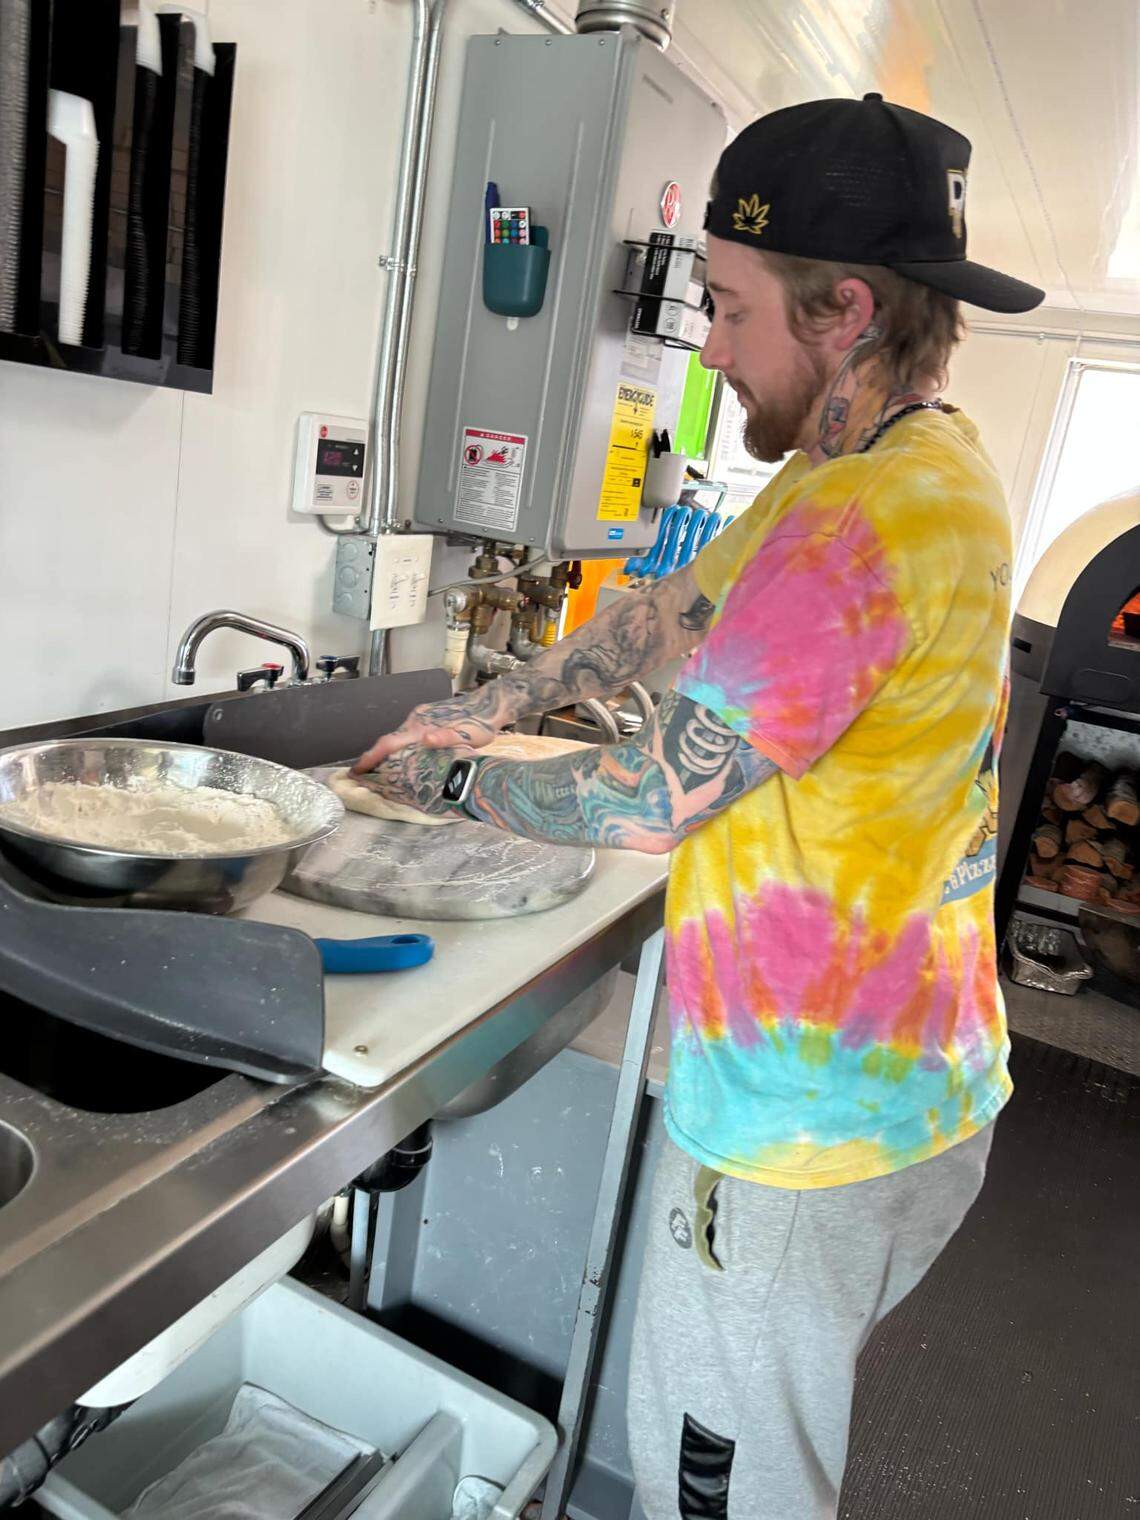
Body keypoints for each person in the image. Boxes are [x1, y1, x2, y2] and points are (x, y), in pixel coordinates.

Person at [353, 94, 1044, 1520]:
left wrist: (442, 776)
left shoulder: (872, 520)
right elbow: (666, 618)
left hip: (806, 1132)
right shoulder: (880, 464)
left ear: (845, 307)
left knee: (720, 1488)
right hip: (898, 1076)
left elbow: (650, 796)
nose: (710, 349)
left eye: (730, 311)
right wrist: (493, 699)